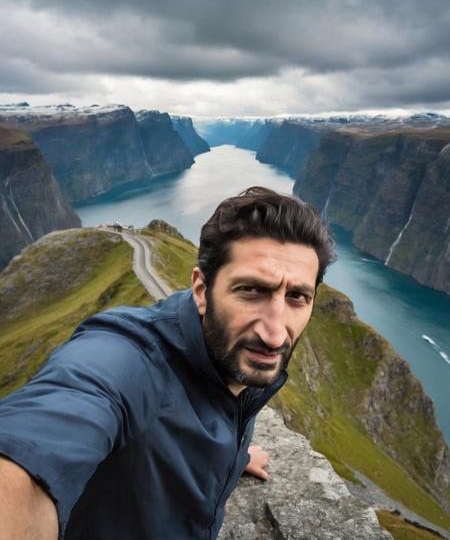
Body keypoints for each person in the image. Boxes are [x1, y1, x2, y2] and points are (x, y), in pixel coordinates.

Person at [0, 186, 335, 540]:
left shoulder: (231, 356)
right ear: (202, 290)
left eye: (297, 296)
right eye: (251, 290)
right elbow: (47, 435)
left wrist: (227, 456)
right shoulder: (128, 359)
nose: (274, 334)